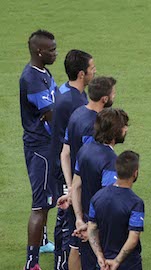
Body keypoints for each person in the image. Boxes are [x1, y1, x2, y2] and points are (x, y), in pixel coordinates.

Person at [57, 76, 116, 270]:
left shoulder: (77, 113)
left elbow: (65, 153)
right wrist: (76, 192)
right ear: (105, 99)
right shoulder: (94, 127)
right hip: (89, 195)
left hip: (77, 190)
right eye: (114, 93)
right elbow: (92, 163)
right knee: (92, 247)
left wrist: (70, 187)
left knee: (76, 245)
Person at [49, 49, 96, 270]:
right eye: (92, 69)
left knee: (64, 216)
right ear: (81, 74)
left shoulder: (65, 90)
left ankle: (61, 259)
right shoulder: (76, 102)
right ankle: (62, 262)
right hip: (66, 167)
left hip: (61, 161)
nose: (94, 72)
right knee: (67, 218)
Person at [70, 108, 129, 269]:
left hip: (86, 226)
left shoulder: (85, 150)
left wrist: (79, 219)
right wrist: (92, 228)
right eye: (124, 126)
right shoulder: (111, 162)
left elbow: (75, 187)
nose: (126, 129)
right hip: (102, 233)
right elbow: (109, 203)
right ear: (115, 131)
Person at [20, 29, 58, 270]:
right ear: (39, 51)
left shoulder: (42, 70)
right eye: (52, 50)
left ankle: (43, 241)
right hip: (40, 148)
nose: (56, 53)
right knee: (40, 204)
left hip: (46, 145)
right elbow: (50, 115)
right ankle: (31, 262)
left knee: (48, 197)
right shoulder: (31, 78)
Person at [87, 151, 144, 270]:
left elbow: (92, 228)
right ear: (135, 173)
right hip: (128, 264)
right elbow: (133, 238)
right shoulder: (136, 203)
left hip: (103, 263)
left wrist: (99, 256)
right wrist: (117, 261)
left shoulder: (97, 197)